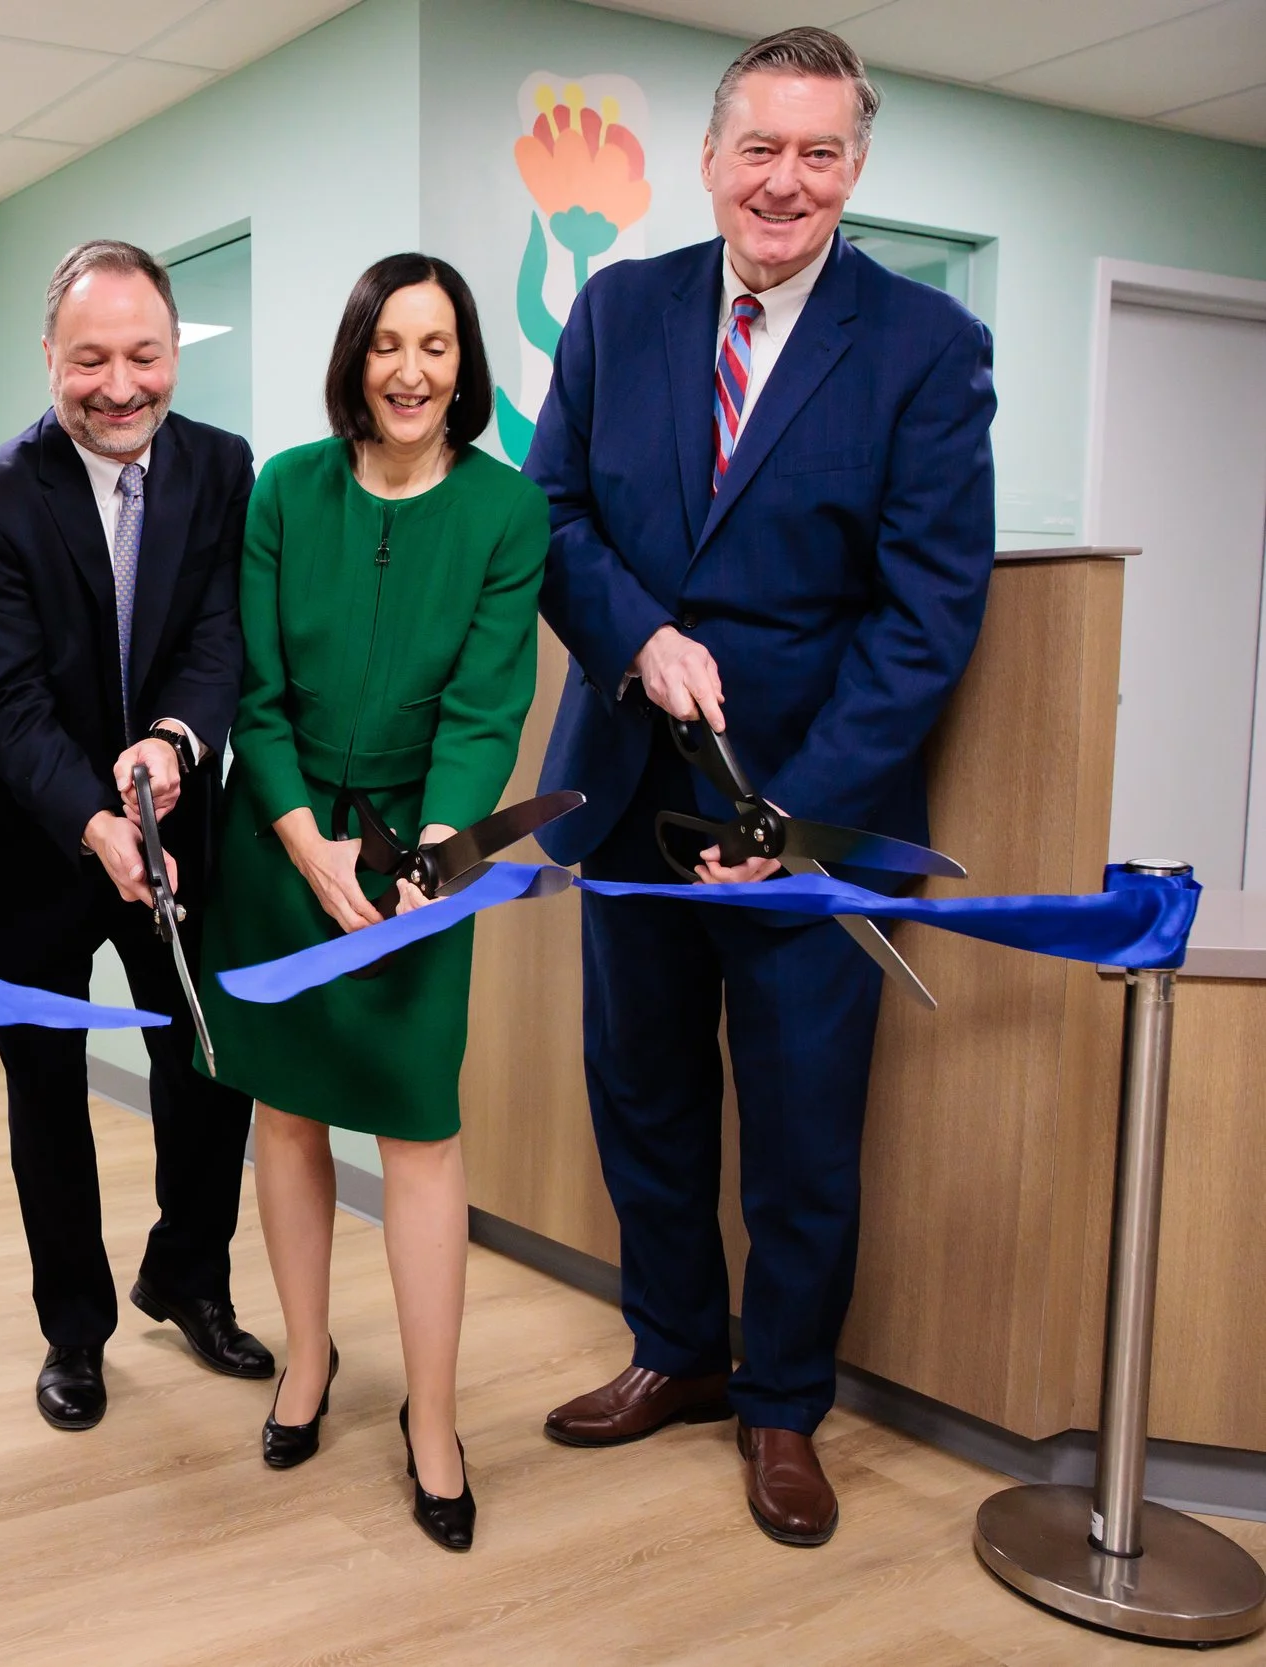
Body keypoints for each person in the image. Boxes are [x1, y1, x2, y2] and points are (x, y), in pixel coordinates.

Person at [527, 27, 995, 1547]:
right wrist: (637, 629)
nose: (785, 181)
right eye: (760, 148)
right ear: (713, 158)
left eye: (820, 153)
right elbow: (556, 513)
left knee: (802, 1135)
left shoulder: (925, 345)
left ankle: (783, 1404)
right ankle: (677, 1349)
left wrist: (789, 819)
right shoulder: (618, 310)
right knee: (645, 1097)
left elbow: (927, 612)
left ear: (855, 169)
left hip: (808, 819)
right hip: (631, 793)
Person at [198, 255, 545, 1551]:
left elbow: (485, 704)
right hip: (278, 841)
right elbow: (258, 691)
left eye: (438, 346)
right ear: (356, 354)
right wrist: (306, 844)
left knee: (419, 1131)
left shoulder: (509, 513)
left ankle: (438, 1418)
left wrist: (428, 854)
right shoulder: (284, 489)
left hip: (417, 860)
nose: (411, 370)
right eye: (389, 342)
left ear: (466, 367)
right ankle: (307, 1358)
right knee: (284, 1113)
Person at [0, 240, 270, 1432]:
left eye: (143, 355)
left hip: (182, 826)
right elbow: (7, 701)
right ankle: (72, 1329)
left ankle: (188, 1273)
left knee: (208, 1056)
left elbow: (222, 638)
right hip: (36, 841)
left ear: (174, 350)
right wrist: (93, 817)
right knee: (49, 1092)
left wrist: (177, 744)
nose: (119, 385)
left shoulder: (224, 469)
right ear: (50, 358)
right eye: (90, 359)